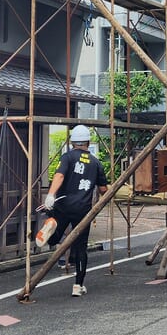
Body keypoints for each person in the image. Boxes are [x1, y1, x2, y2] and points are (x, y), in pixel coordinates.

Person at [41, 125, 108, 297]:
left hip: (63, 205)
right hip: (82, 209)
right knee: (80, 248)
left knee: (57, 233)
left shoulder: (67, 157)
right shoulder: (96, 163)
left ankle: (51, 232)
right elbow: (103, 189)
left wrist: (50, 195)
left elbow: (59, 176)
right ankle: (78, 286)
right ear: (88, 142)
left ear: (72, 142)